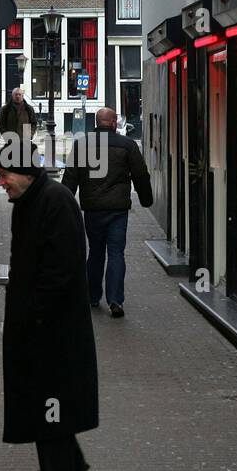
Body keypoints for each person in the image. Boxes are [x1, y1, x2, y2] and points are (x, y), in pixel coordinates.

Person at [0, 148, 98, 471]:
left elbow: (63, 268)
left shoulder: (55, 202)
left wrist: (36, 314)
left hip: (53, 330)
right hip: (41, 326)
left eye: (5, 174)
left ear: (25, 172)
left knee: (49, 403)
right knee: (48, 401)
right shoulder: (34, 200)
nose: (1, 182)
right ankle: (70, 464)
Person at [61, 107, 153, 318]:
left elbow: (71, 177)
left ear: (96, 122)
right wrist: (147, 199)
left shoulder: (82, 145)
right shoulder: (127, 145)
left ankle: (92, 296)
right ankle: (115, 300)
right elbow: (140, 175)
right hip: (118, 210)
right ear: (113, 123)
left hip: (93, 209)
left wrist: (64, 207)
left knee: (95, 252)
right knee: (116, 253)